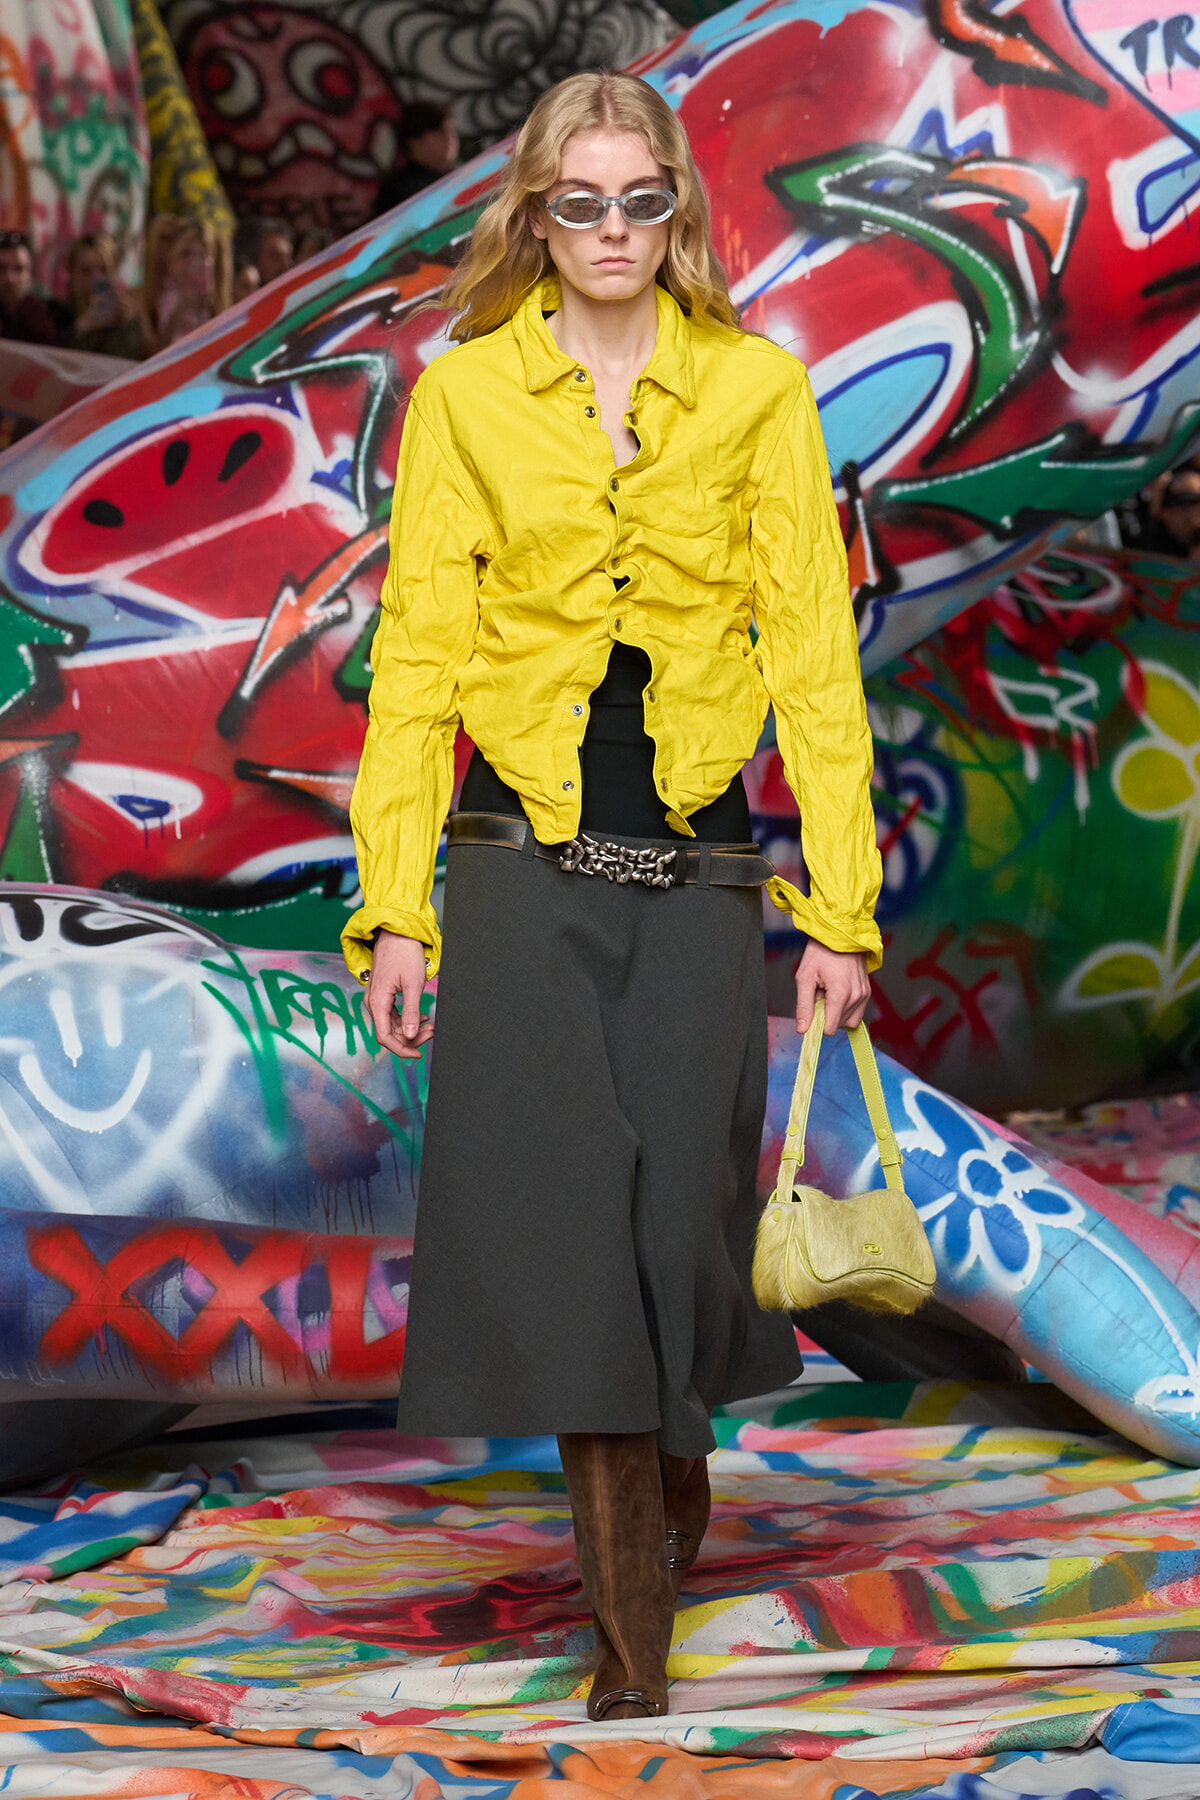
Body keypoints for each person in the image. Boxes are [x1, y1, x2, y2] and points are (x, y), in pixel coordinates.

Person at [343, 70, 882, 1722]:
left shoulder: (757, 392)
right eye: (577, 204)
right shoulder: (465, 400)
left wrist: (841, 913)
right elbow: (418, 657)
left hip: (707, 881)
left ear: (676, 211)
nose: (610, 234)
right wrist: (399, 908)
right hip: (518, 870)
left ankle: (666, 1501)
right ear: (533, 212)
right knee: (578, 1250)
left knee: (676, 1252)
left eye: (638, 201)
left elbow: (813, 654)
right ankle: (630, 1658)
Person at [141, 215, 231, 356]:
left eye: (203, 256)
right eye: (186, 254)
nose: (193, 263)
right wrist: (181, 309)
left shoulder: (213, 302)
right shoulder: (161, 296)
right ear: (170, 258)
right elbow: (158, 350)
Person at [371, 100, 460, 217]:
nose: (449, 139)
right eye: (440, 132)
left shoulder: (457, 178)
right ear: (414, 141)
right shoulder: (398, 191)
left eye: (452, 132)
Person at [62, 234, 145, 360]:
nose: (97, 278)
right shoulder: (58, 313)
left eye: (104, 270)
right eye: (86, 271)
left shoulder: (124, 315)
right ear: (72, 275)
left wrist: (128, 324)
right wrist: (83, 327)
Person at [0, 231, 59, 345]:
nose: (10, 278)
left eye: (19, 269)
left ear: (30, 272)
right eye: (1, 268)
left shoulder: (44, 316)